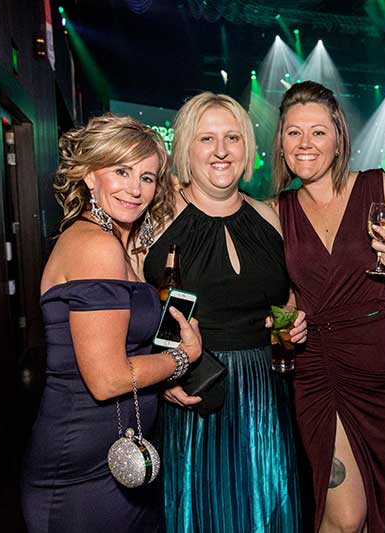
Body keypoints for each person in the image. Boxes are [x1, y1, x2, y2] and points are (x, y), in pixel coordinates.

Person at [271, 81, 385, 533]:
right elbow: (283, 296)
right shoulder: (278, 210)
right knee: (346, 515)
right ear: (281, 143)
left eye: (318, 132)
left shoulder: (376, 185)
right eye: (294, 132)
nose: (305, 143)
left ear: (338, 139)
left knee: (369, 506)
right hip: (321, 368)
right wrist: (283, 328)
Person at [22, 114, 204, 532]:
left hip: (119, 453)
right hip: (82, 469)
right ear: (89, 175)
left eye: (147, 177)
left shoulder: (117, 244)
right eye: (121, 171)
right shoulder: (96, 246)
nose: (135, 189)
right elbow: (107, 379)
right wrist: (183, 357)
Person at [143, 92, 305, 532]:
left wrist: (293, 322)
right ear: (185, 147)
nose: (221, 151)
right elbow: (129, 309)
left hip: (264, 391)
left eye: (232, 137)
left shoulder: (269, 216)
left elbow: (287, 297)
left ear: (247, 147)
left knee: (266, 510)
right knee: (206, 513)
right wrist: (160, 376)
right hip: (195, 388)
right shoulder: (155, 217)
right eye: (206, 138)